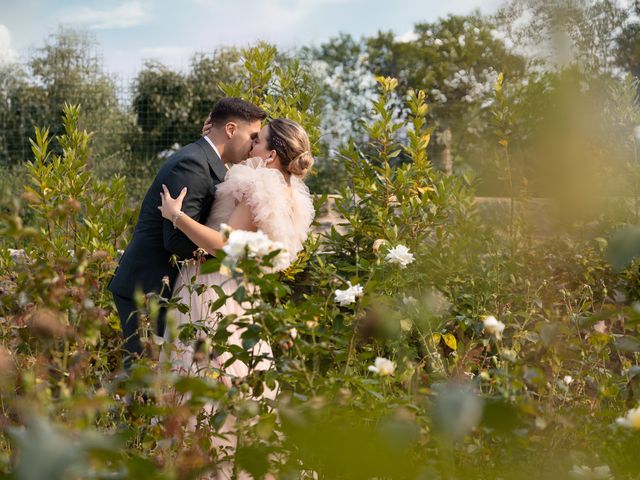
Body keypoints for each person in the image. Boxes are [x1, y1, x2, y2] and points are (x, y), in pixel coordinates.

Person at [157, 118, 315, 479]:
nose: (251, 145)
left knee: (207, 387)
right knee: (233, 382)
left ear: (270, 153)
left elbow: (227, 246)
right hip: (242, 292)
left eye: (257, 141)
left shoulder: (258, 185)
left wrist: (176, 216)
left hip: (212, 286)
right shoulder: (287, 190)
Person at [108, 98, 267, 369]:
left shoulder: (206, 161)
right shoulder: (192, 164)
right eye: (252, 136)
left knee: (157, 377)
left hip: (163, 285)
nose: (254, 144)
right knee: (143, 377)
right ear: (230, 129)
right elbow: (176, 240)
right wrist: (227, 254)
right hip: (149, 286)